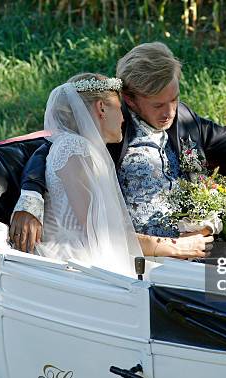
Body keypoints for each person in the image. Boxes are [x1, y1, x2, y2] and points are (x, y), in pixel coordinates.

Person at [10, 42, 226, 256]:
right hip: (140, 251)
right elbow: (54, 146)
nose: (169, 112)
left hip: (198, 243)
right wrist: (30, 200)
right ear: (130, 99)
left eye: (174, 99)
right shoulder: (111, 124)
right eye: (158, 105)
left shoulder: (184, 119)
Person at [34, 73, 144, 275]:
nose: (123, 118)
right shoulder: (73, 146)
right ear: (101, 108)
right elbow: (93, 227)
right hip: (71, 262)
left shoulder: (88, 148)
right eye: (120, 109)